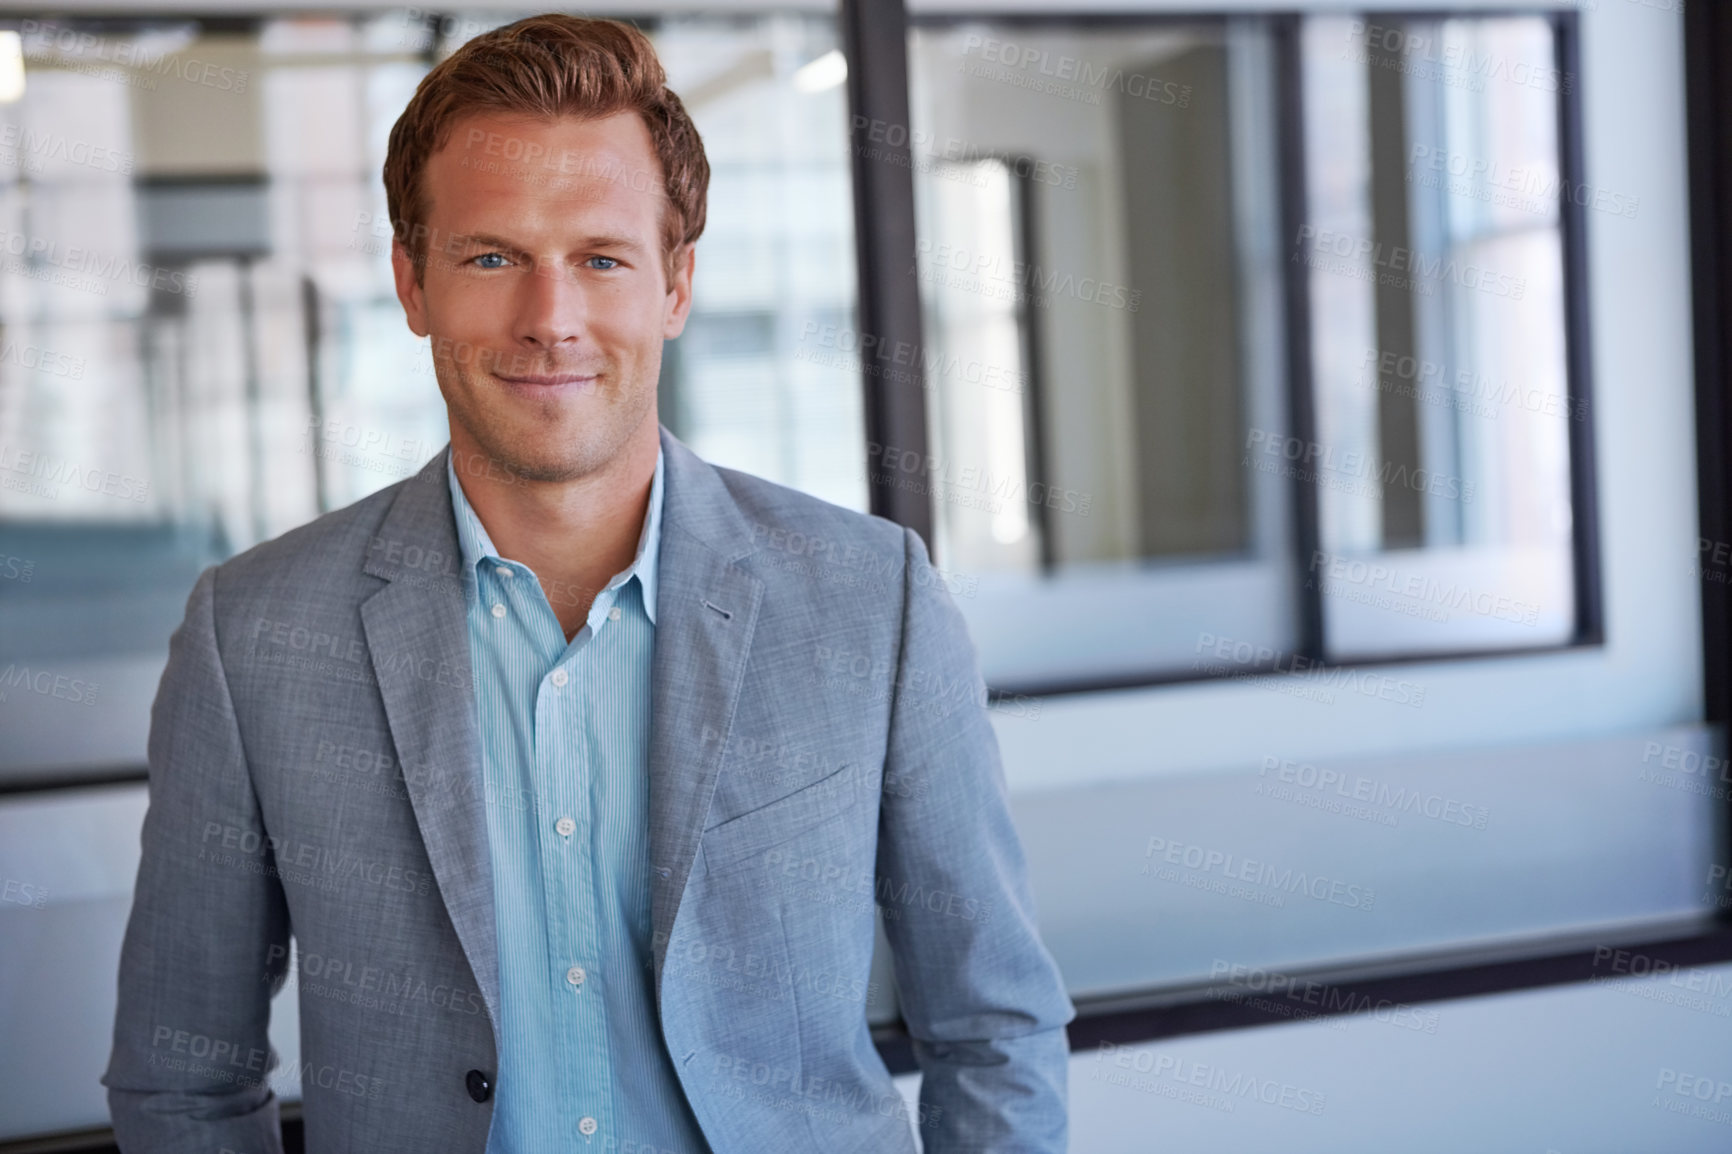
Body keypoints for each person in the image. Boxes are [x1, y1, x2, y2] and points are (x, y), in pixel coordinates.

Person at [102, 14, 1073, 1152]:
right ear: (413, 283)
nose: (548, 318)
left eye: (600, 258)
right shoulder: (254, 633)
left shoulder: (872, 601)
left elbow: (993, 1026)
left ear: (674, 283)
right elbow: (182, 1077)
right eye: (491, 256)